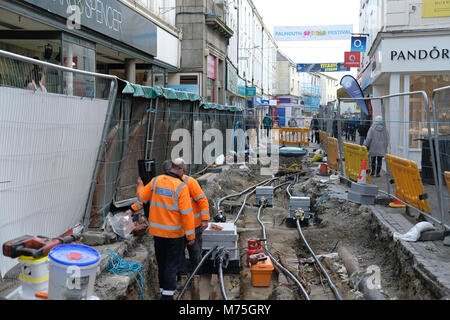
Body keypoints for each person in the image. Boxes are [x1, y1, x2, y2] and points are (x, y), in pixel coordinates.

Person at [126, 160, 195, 300]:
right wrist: (190, 236)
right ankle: (167, 296)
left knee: (162, 262)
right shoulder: (181, 187)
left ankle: (163, 291)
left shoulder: (156, 181)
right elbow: (187, 214)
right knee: (171, 264)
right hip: (174, 234)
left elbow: (141, 198)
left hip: (157, 233)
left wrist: (133, 204)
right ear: (180, 170)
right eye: (184, 171)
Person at [172, 158, 210, 276]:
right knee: (179, 254)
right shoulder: (170, 183)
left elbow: (202, 200)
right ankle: (182, 277)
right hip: (178, 228)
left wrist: (204, 219)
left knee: (195, 252)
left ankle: (197, 275)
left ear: (182, 170)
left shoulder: (190, 182)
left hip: (194, 226)